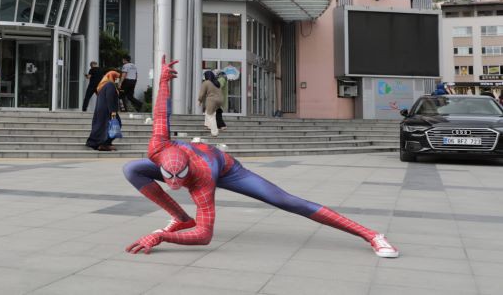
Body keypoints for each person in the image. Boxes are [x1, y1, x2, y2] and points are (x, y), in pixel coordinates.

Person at [122, 56, 399, 258]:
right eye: (169, 178)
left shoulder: (201, 178)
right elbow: (161, 114)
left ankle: (371, 234)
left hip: (224, 169)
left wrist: (161, 236)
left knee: (285, 200)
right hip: (187, 162)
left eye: (178, 179)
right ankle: (180, 217)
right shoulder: (158, 147)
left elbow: (205, 236)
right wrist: (162, 81)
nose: (173, 185)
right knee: (132, 169)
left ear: (187, 173)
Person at [86, 70, 122, 152]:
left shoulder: (104, 85)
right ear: (112, 77)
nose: (118, 80)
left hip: (102, 110)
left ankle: (99, 143)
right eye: (116, 78)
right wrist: (113, 111)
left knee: (101, 126)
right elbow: (109, 98)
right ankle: (104, 144)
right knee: (116, 124)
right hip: (107, 110)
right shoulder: (110, 84)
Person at [198, 71, 224, 137]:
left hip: (212, 100)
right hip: (220, 100)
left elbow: (202, 94)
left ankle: (214, 132)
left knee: (210, 115)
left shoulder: (206, 83)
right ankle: (207, 126)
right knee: (209, 112)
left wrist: (200, 100)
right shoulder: (217, 82)